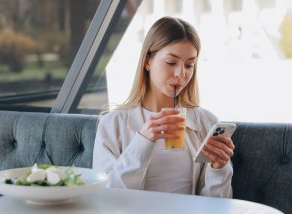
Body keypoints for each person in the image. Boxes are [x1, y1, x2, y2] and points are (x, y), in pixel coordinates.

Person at [92, 16, 235, 197]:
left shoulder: (207, 123)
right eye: (171, 62)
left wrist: (219, 169)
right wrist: (143, 141)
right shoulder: (112, 124)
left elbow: (217, 206)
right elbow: (107, 196)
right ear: (147, 61)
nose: (181, 74)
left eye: (189, 65)